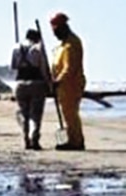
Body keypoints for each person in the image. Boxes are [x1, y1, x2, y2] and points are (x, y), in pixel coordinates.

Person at [49, 12, 86, 151]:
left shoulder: (72, 44)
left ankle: (76, 141)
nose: (54, 34)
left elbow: (69, 68)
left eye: (55, 30)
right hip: (63, 85)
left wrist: (58, 80)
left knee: (70, 113)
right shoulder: (62, 45)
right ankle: (73, 138)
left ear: (63, 27)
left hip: (71, 84)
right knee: (67, 113)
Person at [11, 29, 50, 150]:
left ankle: (26, 138)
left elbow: (13, 66)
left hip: (20, 84)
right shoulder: (38, 48)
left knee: (23, 113)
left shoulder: (16, 48)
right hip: (36, 83)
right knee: (35, 114)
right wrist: (49, 85)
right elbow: (43, 69)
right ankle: (34, 138)